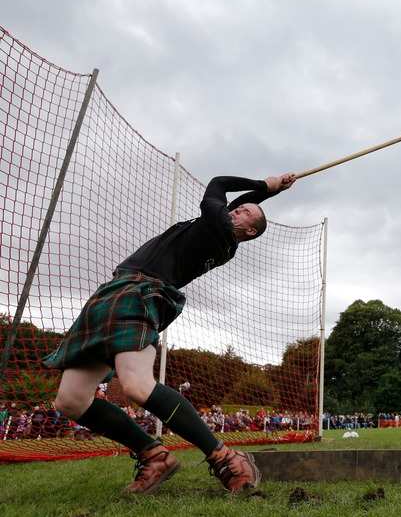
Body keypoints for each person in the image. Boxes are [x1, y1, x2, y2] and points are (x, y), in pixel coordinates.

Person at [42, 173, 296, 495]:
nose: (236, 210)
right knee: (71, 401)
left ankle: (223, 456)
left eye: (244, 213)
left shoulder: (218, 227)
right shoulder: (223, 232)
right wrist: (270, 193)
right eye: (237, 208)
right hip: (114, 293)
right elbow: (236, 207)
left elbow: (216, 184)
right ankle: (153, 454)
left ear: (248, 232)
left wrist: (263, 184)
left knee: (135, 385)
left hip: (138, 291)